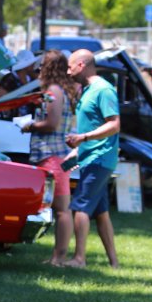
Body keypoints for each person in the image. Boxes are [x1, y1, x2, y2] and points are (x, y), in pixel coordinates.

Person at [63, 49, 121, 269]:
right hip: (90, 157)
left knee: (80, 207)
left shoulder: (103, 90)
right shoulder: (87, 90)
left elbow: (114, 124)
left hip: (100, 159)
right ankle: (114, 263)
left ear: (81, 65)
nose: (68, 72)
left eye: (70, 67)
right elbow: (93, 125)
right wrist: (77, 150)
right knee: (101, 212)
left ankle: (79, 259)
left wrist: (83, 138)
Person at [20, 50, 76, 266]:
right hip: (59, 155)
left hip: (53, 156)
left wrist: (29, 126)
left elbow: (51, 123)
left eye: (42, 65)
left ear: (49, 67)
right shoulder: (62, 90)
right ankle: (57, 255)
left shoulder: (54, 91)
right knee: (60, 208)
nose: (38, 69)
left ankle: (59, 258)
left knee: (62, 209)